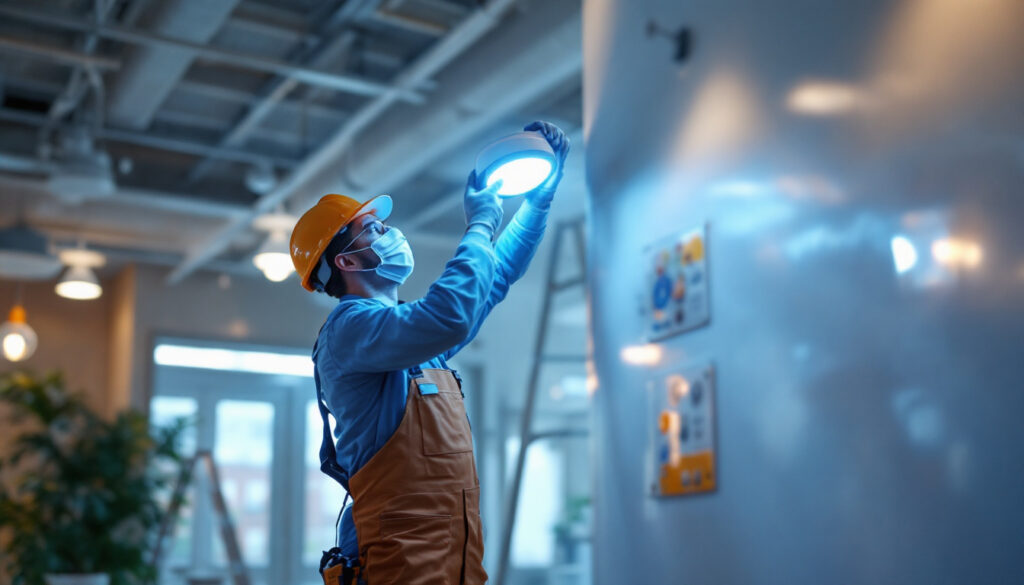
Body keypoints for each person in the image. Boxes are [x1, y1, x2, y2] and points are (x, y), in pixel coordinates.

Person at [289, 121, 569, 585]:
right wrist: (480, 222)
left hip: (455, 566)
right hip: (402, 571)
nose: (390, 232)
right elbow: (451, 315)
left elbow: (491, 280)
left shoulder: (411, 343)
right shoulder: (349, 330)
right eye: (374, 229)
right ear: (347, 261)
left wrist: (538, 203)